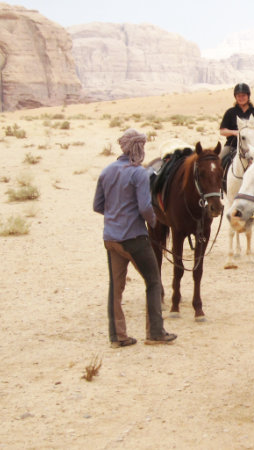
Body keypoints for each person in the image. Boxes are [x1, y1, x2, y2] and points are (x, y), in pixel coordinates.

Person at [94, 128, 177, 347]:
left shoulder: (107, 171)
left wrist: (115, 216)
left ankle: (117, 336)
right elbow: (145, 207)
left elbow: (98, 205)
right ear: (138, 148)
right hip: (134, 238)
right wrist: (153, 222)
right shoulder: (139, 173)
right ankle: (155, 332)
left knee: (115, 287)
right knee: (153, 281)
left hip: (110, 238)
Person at [219, 83, 254, 168]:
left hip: (253, 146)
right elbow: (222, 131)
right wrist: (234, 132)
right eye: (238, 96)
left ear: (248, 96)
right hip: (232, 146)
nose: (241, 98)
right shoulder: (230, 112)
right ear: (235, 97)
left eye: (243, 95)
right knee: (219, 161)